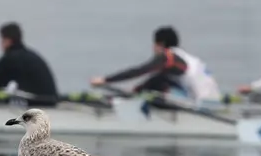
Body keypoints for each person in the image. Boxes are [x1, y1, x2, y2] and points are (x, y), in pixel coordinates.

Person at [90, 26, 221, 106]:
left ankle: (129, 100)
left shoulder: (169, 56)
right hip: (213, 100)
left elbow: (141, 70)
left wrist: (105, 80)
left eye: (154, 44)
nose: (153, 48)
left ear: (161, 44)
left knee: (159, 79)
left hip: (201, 104)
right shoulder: (186, 57)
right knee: (161, 78)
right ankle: (134, 95)